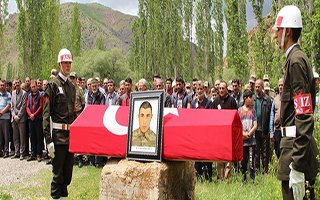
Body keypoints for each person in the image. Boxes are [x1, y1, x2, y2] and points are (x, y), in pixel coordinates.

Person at [273, 5, 319, 200]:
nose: (275, 35)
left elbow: (304, 114)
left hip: (295, 152)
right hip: (292, 148)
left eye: (278, 30)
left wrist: (298, 165)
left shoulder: (296, 61)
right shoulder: (294, 59)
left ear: (288, 31)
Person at [43, 48, 76, 200]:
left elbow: (74, 114)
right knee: (57, 176)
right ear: (59, 64)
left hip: (70, 137)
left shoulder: (72, 87)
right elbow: (46, 115)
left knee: (67, 176)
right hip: (57, 138)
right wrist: (48, 140)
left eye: (69, 63)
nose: (68, 66)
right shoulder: (52, 85)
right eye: (65, 63)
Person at [207, 81, 237, 180]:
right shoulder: (215, 101)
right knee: (219, 155)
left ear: (226, 89)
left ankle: (227, 177)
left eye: (223, 88)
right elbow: (212, 117)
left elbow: (235, 116)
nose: (221, 90)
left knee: (228, 155)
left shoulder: (232, 101)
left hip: (228, 133)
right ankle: (220, 177)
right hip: (218, 133)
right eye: (219, 88)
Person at [238, 89, 257, 182]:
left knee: (251, 160)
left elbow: (255, 125)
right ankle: (244, 179)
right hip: (242, 140)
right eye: (250, 98)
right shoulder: (239, 111)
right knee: (243, 161)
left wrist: (249, 133)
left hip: (251, 140)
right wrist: (243, 134)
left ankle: (253, 179)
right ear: (245, 98)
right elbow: (237, 125)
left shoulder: (253, 110)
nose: (252, 99)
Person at [254, 79, 272, 174]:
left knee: (265, 153)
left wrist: (269, 130)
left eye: (258, 87)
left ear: (262, 87)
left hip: (264, 130)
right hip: (256, 130)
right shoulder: (253, 99)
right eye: (256, 87)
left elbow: (270, 115)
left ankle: (265, 172)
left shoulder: (267, 99)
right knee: (256, 152)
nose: (257, 88)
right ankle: (257, 171)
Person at [26, 80, 44, 162]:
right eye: (31, 87)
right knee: (32, 136)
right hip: (31, 119)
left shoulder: (40, 95)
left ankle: (39, 154)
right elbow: (27, 106)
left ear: (37, 86)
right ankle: (33, 154)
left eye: (34, 87)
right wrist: (30, 114)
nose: (33, 88)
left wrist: (34, 115)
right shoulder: (29, 95)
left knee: (38, 136)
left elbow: (41, 106)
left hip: (37, 119)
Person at [11, 79, 28, 160]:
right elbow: (12, 107)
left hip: (21, 119)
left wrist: (18, 116)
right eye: (15, 83)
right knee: (15, 137)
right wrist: (14, 116)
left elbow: (23, 106)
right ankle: (16, 152)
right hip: (14, 118)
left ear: (20, 84)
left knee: (22, 136)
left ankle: (22, 153)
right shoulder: (13, 93)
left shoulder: (24, 93)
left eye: (18, 83)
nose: (17, 84)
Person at [269, 78, 283, 159]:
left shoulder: (288, 98)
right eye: (279, 85)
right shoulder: (275, 99)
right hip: (277, 129)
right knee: (277, 149)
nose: (281, 87)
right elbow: (272, 115)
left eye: (282, 85)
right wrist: (271, 132)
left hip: (286, 129)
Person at [0, 80, 12, 158]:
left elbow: (9, 105)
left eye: (3, 85)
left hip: (5, 117)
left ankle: (6, 151)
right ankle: (1, 151)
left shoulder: (8, 94)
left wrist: (1, 112)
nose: (2, 86)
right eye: (0, 85)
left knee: (6, 135)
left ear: (5, 86)